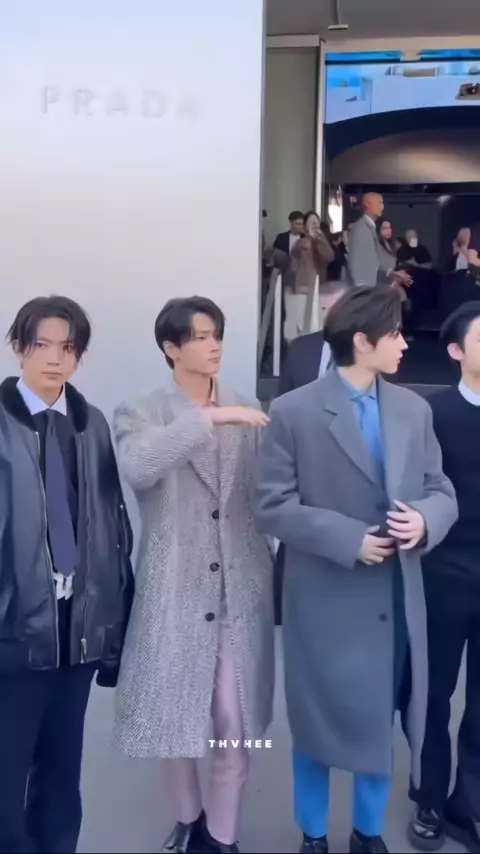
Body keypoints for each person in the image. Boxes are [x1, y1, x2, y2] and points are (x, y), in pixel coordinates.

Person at [255, 285, 458, 854]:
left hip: (393, 595)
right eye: (395, 334)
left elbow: (441, 489)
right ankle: (314, 835)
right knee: (315, 725)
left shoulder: (413, 409)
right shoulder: (293, 411)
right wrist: (349, 540)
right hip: (323, 595)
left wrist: (424, 520)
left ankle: (368, 835)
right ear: (363, 341)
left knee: (378, 724)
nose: (404, 344)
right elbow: (271, 505)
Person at [112, 296, 275, 854]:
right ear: (171, 347)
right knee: (174, 716)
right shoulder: (140, 410)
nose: (214, 346)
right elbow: (138, 467)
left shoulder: (247, 405)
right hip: (174, 587)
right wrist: (204, 421)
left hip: (239, 587)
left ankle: (222, 838)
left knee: (235, 719)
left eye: (217, 335)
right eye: (201, 337)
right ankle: (188, 819)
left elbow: (264, 492)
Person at [0, 296, 134, 854]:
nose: (55, 358)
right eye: (42, 345)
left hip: (76, 626)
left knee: (61, 775)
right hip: (14, 630)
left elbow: (112, 526)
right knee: (6, 778)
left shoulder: (90, 424)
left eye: (68, 348)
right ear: (18, 347)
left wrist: (111, 629)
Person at [408, 302, 480, 853]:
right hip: (443, 573)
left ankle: (468, 801)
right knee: (431, 694)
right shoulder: (431, 415)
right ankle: (429, 797)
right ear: (456, 351)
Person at [279, 279, 348, 394]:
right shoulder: (299, 348)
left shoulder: (367, 350)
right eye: (323, 308)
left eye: (335, 308)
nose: (328, 315)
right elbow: (283, 397)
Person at [346, 193, 411, 290]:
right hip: (365, 288)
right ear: (368, 204)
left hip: (373, 287)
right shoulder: (361, 229)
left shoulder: (370, 227)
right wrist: (362, 291)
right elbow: (357, 264)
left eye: (382, 203)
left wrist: (392, 273)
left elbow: (375, 262)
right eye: (379, 203)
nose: (382, 207)